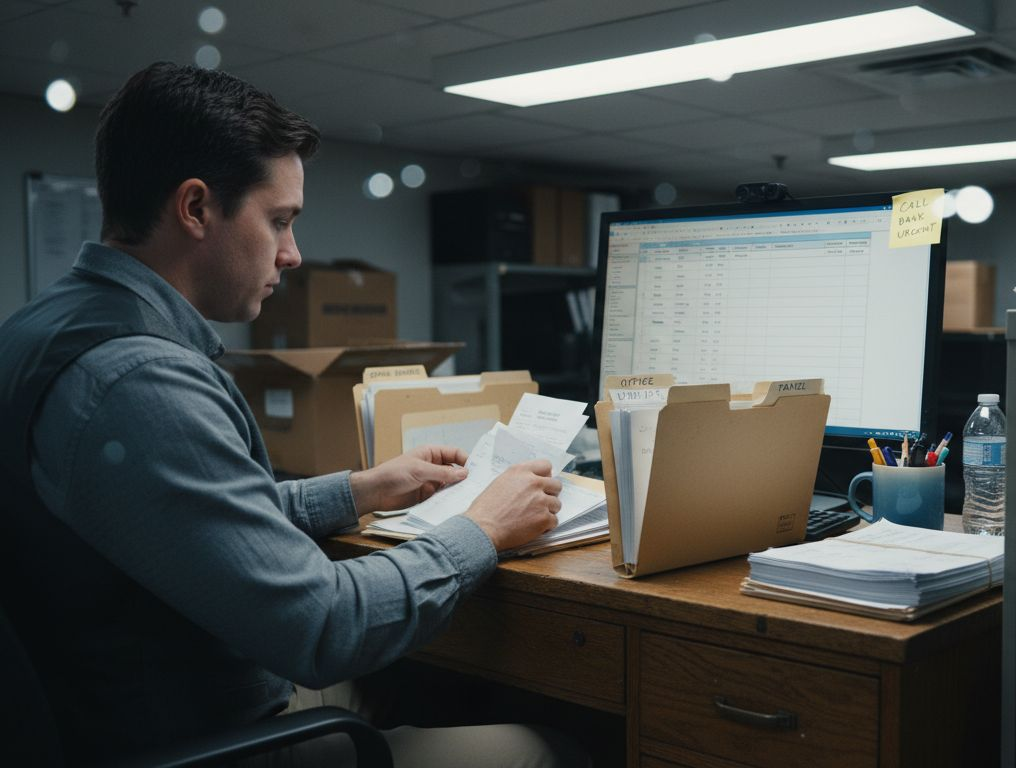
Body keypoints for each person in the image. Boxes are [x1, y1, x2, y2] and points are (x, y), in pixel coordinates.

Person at [0, 62, 587, 767]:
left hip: (125, 705)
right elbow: (324, 627)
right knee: (542, 747)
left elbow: (186, 517)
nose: (292, 253)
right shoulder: (138, 382)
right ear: (195, 208)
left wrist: (358, 490)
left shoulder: (47, 329)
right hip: (207, 741)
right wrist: (481, 530)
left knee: (423, 689)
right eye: (278, 220)